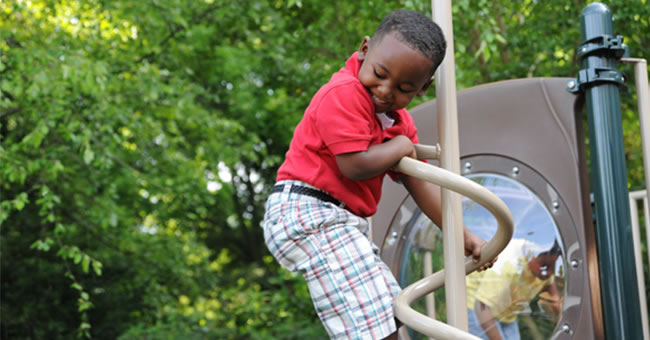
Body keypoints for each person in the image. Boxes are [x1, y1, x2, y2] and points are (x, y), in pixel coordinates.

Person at [262, 9, 494, 340]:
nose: (385, 91)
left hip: (340, 221)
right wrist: (400, 147)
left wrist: (464, 236)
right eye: (380, 74)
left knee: (387, 313)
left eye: (403, 87)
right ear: (364, 49)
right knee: (373, 325)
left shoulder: (398, 123)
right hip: (308, 211)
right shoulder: (343, 93)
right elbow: (354, 165)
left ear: (423, 88)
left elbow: (421, 185)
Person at [466, 240, 563, 340]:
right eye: (544, 266)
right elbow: (482, 307)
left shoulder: (544, 271)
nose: (549, 272)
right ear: (532, 256)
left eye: (553, 266)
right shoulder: (508, 266)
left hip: (505, 312)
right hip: (477, 307)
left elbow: (555, 300)